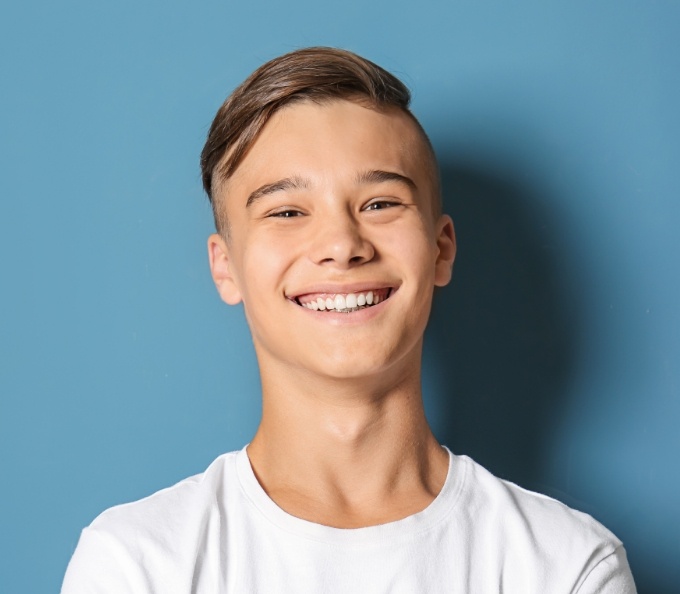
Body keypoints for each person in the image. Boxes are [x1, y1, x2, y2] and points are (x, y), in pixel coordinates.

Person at [61, 47, 636, 593]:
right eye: (286, 211)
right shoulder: (134, 564)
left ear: (440, 249)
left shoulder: (567, 566)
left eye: (380, 204)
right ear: (226, 266)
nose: (341, 244)